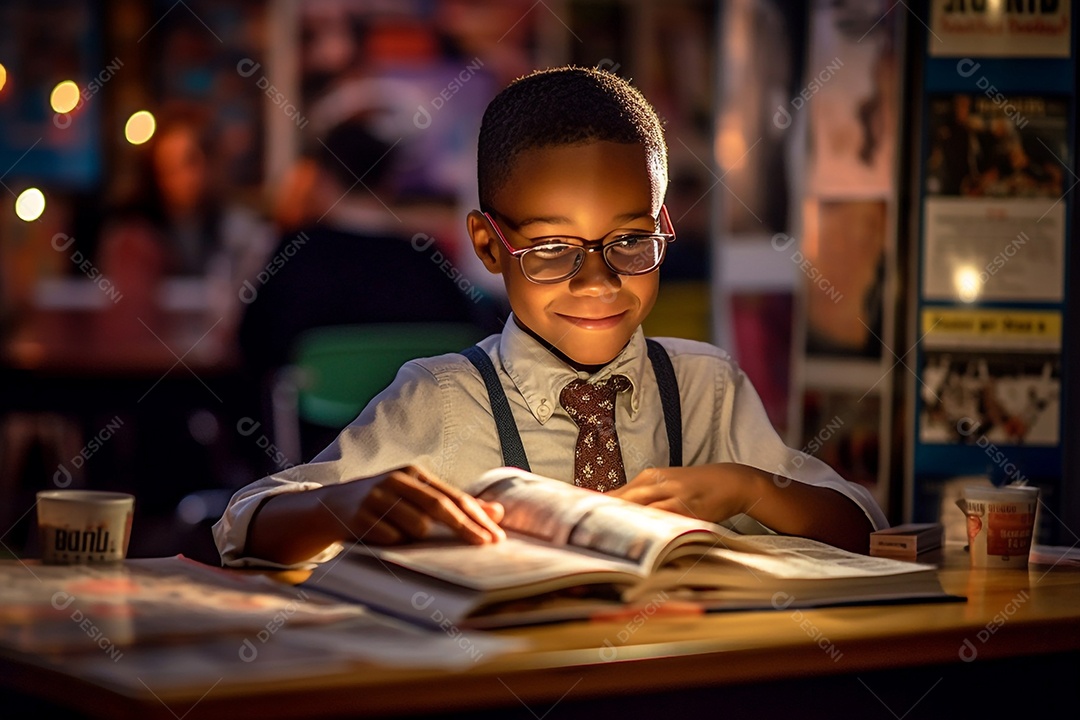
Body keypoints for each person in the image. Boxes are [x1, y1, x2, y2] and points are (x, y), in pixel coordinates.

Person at [213, 66, 887, 569]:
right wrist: (341, 506)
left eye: (629, 241)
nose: (597, 280)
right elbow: (242, 522)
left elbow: (864, 529)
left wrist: (749, 487)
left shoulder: (706, 388)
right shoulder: (443, 399)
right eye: (552, 249)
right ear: (486, 245)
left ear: (662, 225)